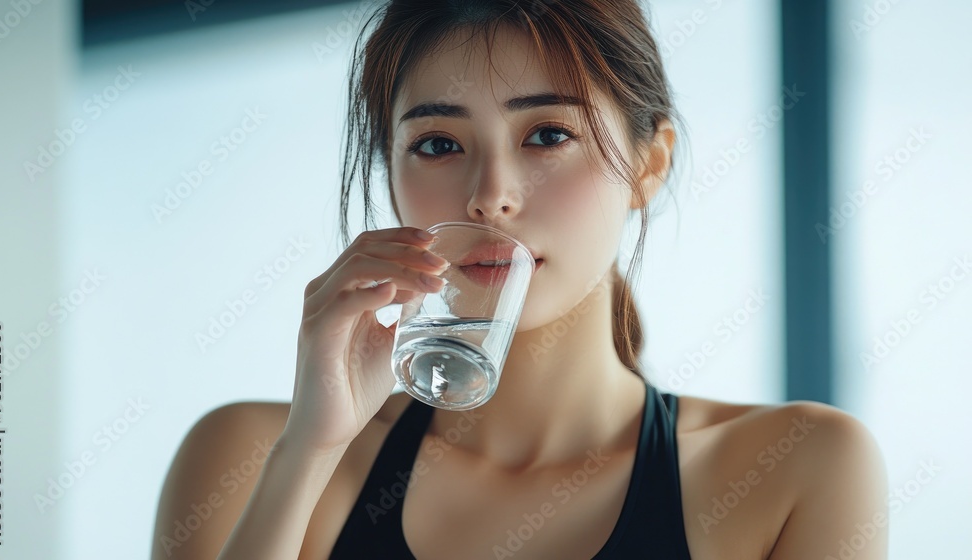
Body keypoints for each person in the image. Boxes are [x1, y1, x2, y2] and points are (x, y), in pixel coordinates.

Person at [152, 1, 889, 558]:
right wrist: (308, 452)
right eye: (438, 143)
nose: (489, 195)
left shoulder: (797, 466)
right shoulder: (249, 456)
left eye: (547, 134)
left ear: (649, 164)